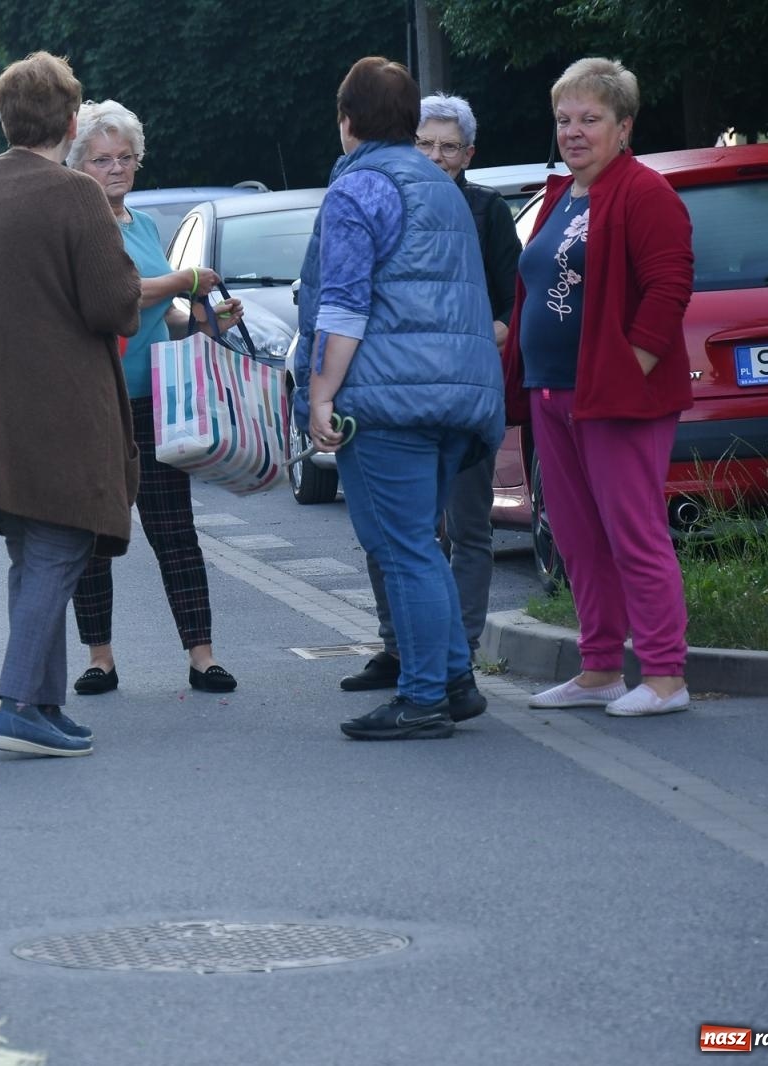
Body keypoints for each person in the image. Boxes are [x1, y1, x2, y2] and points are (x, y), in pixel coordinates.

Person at [0, 53, 143, 758]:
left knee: (34, 552)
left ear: (4, 116)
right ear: (73, 119)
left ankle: (46, 704)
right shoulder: (74, 195)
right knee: (59, 547)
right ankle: (20, 703)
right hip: (58, 410)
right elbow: (114, 305)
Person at [306, 56, 504, 741]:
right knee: (420, 542)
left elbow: (345, 303)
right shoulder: (441, 186)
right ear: (410, 122)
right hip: (459, 395)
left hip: (389, 398)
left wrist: (321, 394)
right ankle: (454, 678)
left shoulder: (358, 187)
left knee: (402, 548)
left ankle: (422, 698)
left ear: (347, 120)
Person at [503, 57, 694, 717]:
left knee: (632, 532)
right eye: (565, 119)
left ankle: (666, 676)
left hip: (615, 397)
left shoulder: (643, 192)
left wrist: (629, 368)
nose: (575, 131)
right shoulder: (563, 196)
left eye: (591, 119)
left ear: (624, 126)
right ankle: (600, 668)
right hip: (551, 393)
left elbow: (669, 288)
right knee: (578, 537)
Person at [63, 99, 245, 699]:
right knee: (94, 536)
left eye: (125, 158)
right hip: (94, 401)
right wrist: (184, 282)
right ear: (78, 165)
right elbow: (120, 293)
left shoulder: (140, 225)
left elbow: (157, 313)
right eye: (101, 160)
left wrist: (200, 317)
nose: (116, 169)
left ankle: (202, 656)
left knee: (175, 531)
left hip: (152, 398)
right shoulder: (77, 224)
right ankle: (100, 658)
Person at [340, 92, 520, 694]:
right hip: (399, 387)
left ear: (468, 155)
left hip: (460, 386)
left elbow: (507, 304)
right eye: (426, 143)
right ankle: (399, 646)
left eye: (449, 147)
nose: (437, 156)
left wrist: (467, 340)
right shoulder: (384, 197)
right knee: (394, 534)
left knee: (465, 526)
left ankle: (458, 654)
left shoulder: (486, 213)